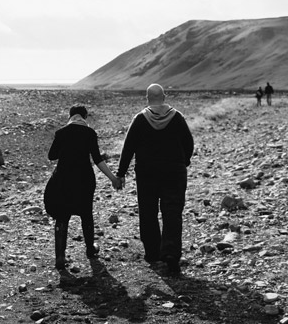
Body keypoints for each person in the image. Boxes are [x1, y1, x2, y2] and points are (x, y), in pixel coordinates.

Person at [116, 84, 194, 275]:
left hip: (147, 173)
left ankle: (152, 253)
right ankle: (171, 255)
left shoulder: (140, 119)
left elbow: (128, 148)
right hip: (174, 172)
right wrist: (184, 161)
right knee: (172, 212)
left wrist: (120, 173)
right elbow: (189, 143)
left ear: (147, 98)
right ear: (164, 96)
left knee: (148, 211)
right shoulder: (177, 117)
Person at [45, 104, 122, 270]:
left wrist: (66, 149)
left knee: (62, 215)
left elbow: (52, 156)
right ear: (85, 117)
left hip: (63, 178)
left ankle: (60, 256)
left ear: (70, 116)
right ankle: (90, 249)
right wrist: (113, 178)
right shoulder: (90, 133)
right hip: (84, 179)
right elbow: (97, 159)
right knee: (86, 213)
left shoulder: (61, 132)